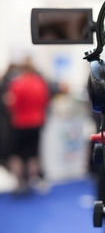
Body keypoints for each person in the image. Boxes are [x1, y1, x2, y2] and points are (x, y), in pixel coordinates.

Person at [5, 56, 50, 193]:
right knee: (33, 154)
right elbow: (45, 102)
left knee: (17, 154)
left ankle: (20, 183)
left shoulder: (17, 84)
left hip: (20, 124)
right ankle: (32, 180)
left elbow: (12, 104)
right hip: (36, 123)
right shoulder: (40, 83)